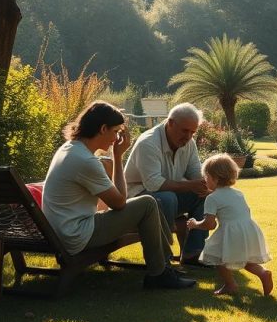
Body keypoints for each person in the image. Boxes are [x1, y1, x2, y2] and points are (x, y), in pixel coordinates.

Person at [41, 101, 195, 290]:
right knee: (147, 203)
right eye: (115, 132)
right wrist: (118, 156)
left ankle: (163, 266)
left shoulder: (68, 149)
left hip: (63, 230)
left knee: (149, 203)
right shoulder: (85, 160)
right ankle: (160, 272)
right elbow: (120, 203)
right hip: (76, 235)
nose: (115, 139)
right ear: (103, 128)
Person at [124, 102, 211, 266]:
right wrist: (192, 185)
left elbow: (195, 173)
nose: (188, 136)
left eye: (192, 132)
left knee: (203, 195)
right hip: (136, 201)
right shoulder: (148, 143)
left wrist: (210, 185)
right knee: (167, 198)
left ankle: (193, 254)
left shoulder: (189, 143)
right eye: (185, 130)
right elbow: (153, 184)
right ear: (170, 123)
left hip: (165, 199)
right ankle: (163, 260)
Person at [187, 154, 273, 296]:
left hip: (231, 232)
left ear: (214, 178)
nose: (204, 180)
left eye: (206, 177)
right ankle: (263, 273)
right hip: (248, 229)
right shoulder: (238, 193)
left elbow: (210, 224)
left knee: (217, 256)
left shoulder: (212, 198)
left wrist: (195, 224)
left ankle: (230, 284)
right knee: (245, 259)